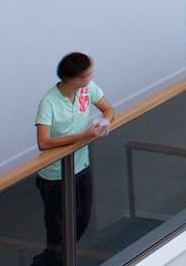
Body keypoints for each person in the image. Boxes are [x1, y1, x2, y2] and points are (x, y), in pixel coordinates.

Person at [33, 52, 115, 266]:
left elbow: (108, 108)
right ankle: (49, 262)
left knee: (82, 218)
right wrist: (83, 136)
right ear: (75, 79)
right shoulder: (49, 102)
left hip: (81, 166)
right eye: (88, 74)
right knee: (58, 228)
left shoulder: (87, 89)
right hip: (54, 176)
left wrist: (104, 123)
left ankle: (57, 259)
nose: (91, 77)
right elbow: (44, 142)